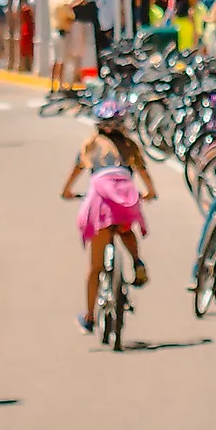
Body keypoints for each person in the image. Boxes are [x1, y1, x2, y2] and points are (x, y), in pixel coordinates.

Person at [61, 101, 154, 331]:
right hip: (126, 200)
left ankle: (90, 317)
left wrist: (67, 191)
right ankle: (136, 261)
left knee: (95, 267)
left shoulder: (91, 145)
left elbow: (76, 171)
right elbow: (144, 174)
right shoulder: (130, 146)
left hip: (100, 202)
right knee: (124, 227)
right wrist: (150, 192)